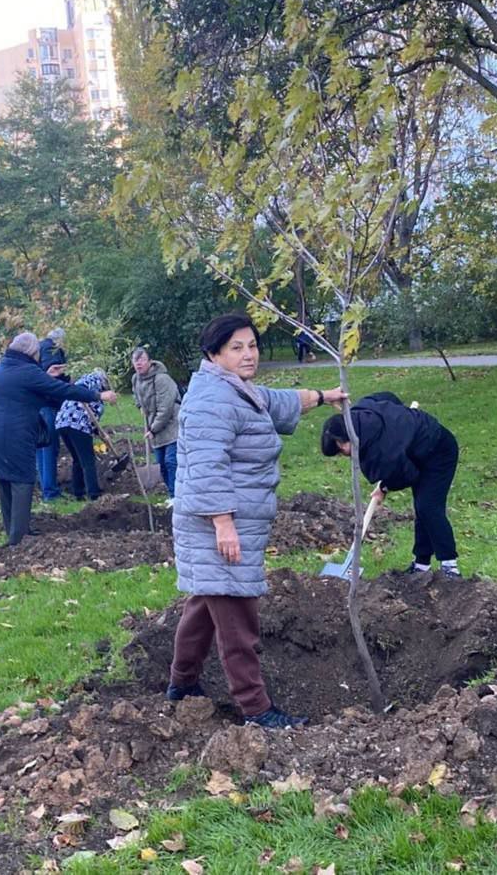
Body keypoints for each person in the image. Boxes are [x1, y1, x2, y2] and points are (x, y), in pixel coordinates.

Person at [168, 312, 347, 729]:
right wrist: (224, 525)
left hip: (230, 521)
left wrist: (323, 396)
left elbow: (277, 401)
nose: (249, 354)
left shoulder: (233, 388)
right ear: (214, 353)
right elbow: (206, 468)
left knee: (204, 603)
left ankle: (181, 684)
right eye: (237, 347)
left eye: (252, 345)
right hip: (219, 524)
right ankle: (256, 708)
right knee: (237, 618)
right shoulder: (212, 401)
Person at [0, 331, 117, 546]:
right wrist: (98, 395)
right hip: (14, 431)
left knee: (5, 478)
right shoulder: (26, 371)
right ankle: (19, 541)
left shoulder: (4, 367)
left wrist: (48, 373)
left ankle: (15, 531)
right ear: (32, 352)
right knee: (22, 480)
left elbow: (40, 392)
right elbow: (60, 390)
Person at [321, 391, 461, 578]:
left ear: (344, 439)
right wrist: (401, 415)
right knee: (423, 508)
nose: (343, 455)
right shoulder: (361, 411)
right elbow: (387, 396)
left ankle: (450, 565)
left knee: (428, 506)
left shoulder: (382, 451)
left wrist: (384, 487)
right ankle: (422, 564)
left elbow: (407, 475)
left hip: (439, 451)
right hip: (415, 453)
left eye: (340, 450)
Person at [131, 347, 180, 498]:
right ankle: (171, 493)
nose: (139, 364)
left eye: (142, 360)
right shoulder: (136, 379)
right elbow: (136, 396)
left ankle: (176, 496)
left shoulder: (162, 379)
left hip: (172, 424)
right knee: (161, 464)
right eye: (135, 361)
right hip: (154, 425)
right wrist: (140, 406)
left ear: (150, 362)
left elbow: (165, 409)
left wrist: (153, 430)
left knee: (171, 462)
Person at [54, 369, 110, 501]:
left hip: (62, 422)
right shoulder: (93, 379)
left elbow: (94, 422)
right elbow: (81, 390)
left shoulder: (93, 391)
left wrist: (102, 434)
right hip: (77, 422)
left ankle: (78, 493)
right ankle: (93, 494)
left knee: (77, 459)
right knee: (88, 460)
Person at [36, 327, 68, 501]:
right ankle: (50, 491)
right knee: (49, 447)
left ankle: (45, 487)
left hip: (38, 404)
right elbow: (53, 372)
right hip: (49, 404)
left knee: (41, 446)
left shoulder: (39, 348)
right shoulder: (51, 349)